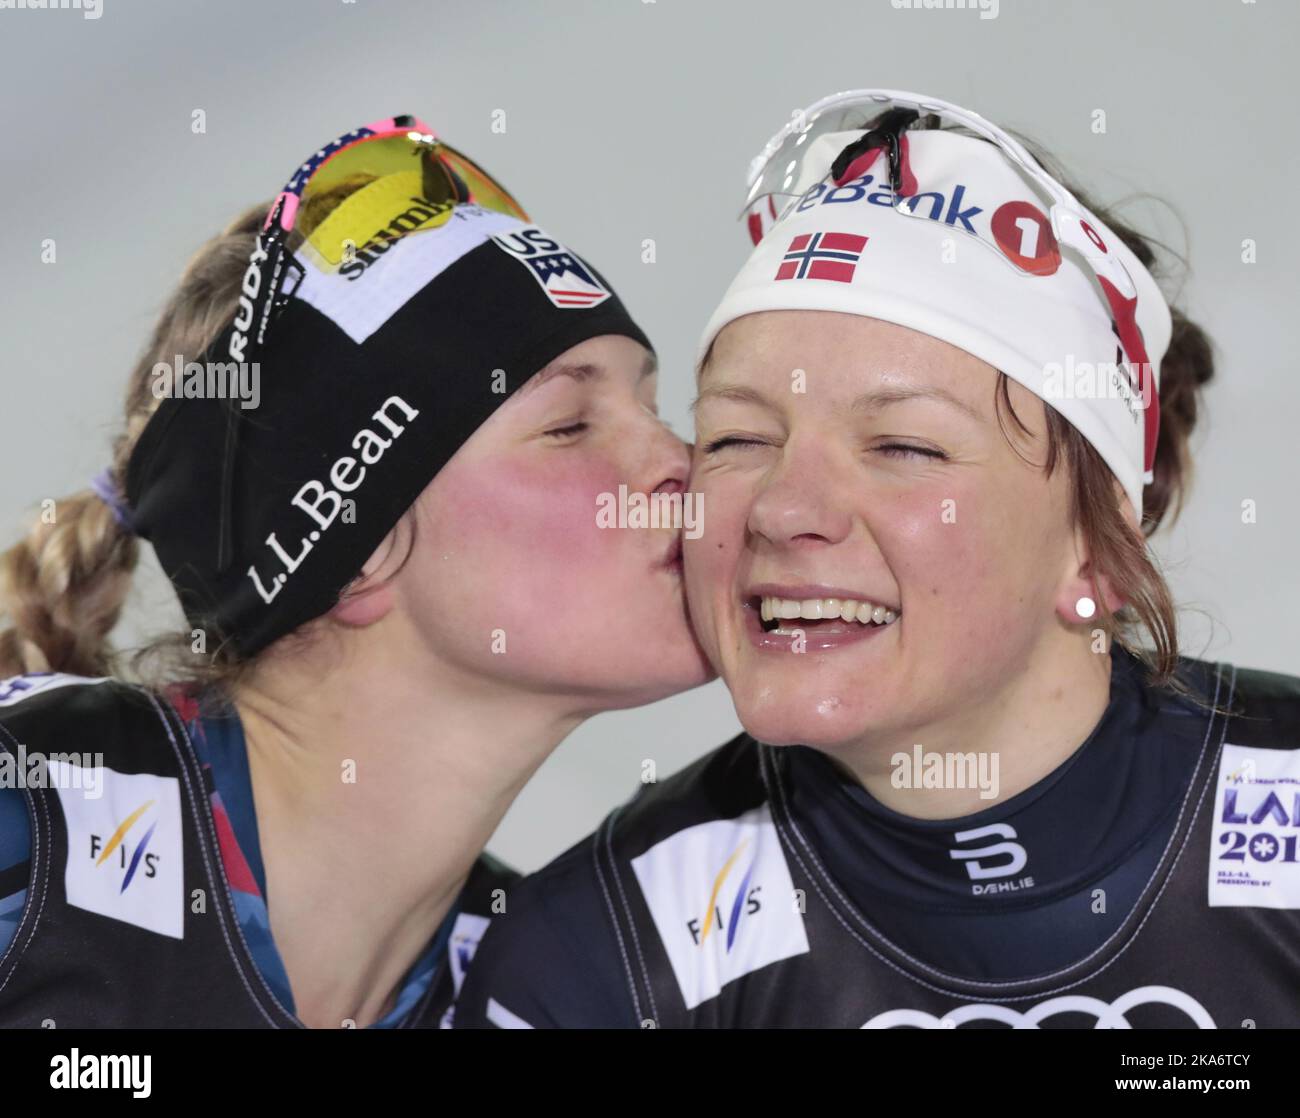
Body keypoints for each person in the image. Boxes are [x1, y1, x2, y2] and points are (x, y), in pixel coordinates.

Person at [454, 91, 1300, 1029]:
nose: (784, 510)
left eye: (904, 447)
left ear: (1096, 554)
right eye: (736, 438)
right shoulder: (599, 960)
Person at [0, 114, 711, 1028]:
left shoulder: (529, 981)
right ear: (355, 543)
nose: (681, 459)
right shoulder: (32, 824)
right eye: (569, 425)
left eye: (657, 405)